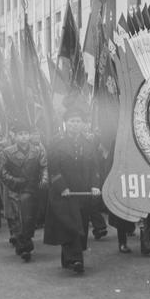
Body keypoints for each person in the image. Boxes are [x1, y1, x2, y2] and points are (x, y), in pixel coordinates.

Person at [44, 103, 102, 274]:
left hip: (83, 193)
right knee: (72, 225)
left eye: (78, 121)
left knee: (81, 226)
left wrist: (95, 186)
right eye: (71, 121)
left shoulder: (89, 143)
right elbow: (53, 169)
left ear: (83, 124)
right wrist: (62, 187)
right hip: (64, 193)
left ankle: (68, 257)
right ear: (65, 123)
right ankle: (76, 260)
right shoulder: (56, 143)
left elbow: (95, 168)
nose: (75, 124)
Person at [0, 122, 48, 262]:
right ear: (15, 136)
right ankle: (24, 246)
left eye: (26, 134)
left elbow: (44, 167)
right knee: (18, 218)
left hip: (33, 189)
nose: (23, 137)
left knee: (30, 218)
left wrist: (44, 179)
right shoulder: (7, 152)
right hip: (15, 190)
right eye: (20, 134)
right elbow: (2, 172)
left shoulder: (37, 151)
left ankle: (26, 241)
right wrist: (14, 181)